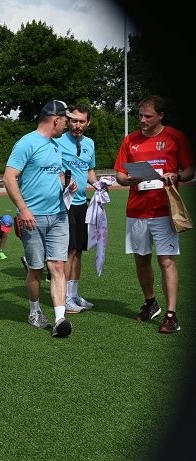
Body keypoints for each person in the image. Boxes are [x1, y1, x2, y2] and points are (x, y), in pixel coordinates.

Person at [114, 95, 194, 334]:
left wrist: (176, 176)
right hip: (136, 210)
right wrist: (127, 179)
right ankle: (150, 303)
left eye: (148, 116)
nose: (142, 120)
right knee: (141, 259)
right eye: (140, 115)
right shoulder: (130, 141)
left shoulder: (175, 137)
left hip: (164, 211)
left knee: (167, 261)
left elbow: (189, 170)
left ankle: (171, 315)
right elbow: (119, 173)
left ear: (160, 116)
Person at [3, 100, 78, 338]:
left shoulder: (56, 146)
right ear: (55, 119)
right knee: (35, 268)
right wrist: (23, 210)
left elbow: (54, 174)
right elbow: (9, 177)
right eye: (66, 120)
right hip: (32, 219)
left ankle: (59, 319)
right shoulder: (26, 143)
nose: (67, 125)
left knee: (57, 265)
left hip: (58, 215)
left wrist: (67, 185)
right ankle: (34, 311)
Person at [59, 104, 100, 313]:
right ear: (68, 121)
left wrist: (99, 184)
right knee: (68, 251)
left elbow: (89, 171)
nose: (77, 125)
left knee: (79, 251)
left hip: (83, 203)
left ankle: (74, 294)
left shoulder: (90, 144)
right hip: (63, 204)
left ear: (87, 123)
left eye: (81, 121)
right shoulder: (57, 141)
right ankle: (64, 296)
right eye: (74, 121)